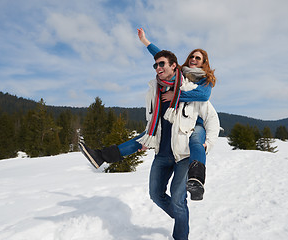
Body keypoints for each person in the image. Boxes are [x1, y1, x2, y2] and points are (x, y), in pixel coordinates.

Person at [80, 49, 219, 240]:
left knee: (178, 200)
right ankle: (181, 217)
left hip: (183, 154)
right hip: (162, 152)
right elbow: (151, 119)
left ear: (173, 66)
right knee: (156, 194)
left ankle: (181, 233)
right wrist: (151, 138)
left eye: (162, 64)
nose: (158, 67)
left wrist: (208, 143)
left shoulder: (189, 89)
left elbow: (211, 117)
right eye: (155, 65)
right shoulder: (154, 89)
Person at [137, 28, 218, 201]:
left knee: (197, 141)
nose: (194, 59)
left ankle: (197, 180)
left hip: (196, 119)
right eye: (192, 56)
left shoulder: (205, 78)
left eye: (198, 58)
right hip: (181, 120)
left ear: (204, 62)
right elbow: (162, 56)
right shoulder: (181, 72)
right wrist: (145, 41)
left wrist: (175, 96)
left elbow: (203, 96)